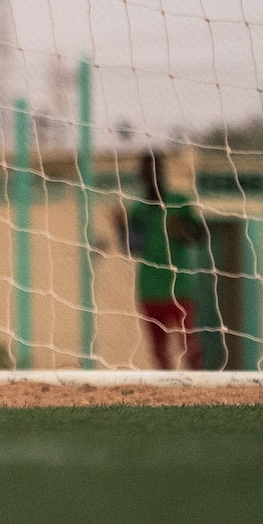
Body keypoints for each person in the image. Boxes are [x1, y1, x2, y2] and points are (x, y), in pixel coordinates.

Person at [111, 150, 208, 370]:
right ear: (140, 176)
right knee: (159, 352)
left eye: (155, 170)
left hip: (179, 287)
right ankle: (167, 395)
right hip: (149, 290)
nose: (151, 176)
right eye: (146, 172)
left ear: (163, 173)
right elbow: (132, 248)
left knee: (190, 346)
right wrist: (121, 227)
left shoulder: (180, 202)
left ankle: (200, 390)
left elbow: (201, 236)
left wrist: (183, 231)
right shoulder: (139, 209)